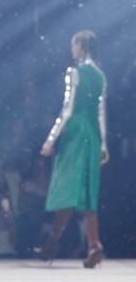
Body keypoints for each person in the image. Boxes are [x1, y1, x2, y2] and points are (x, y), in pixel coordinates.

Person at [35, 30, 109, 268]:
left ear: (81, 46)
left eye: (74, 45)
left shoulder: (74, 72)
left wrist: (51, 138)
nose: (72, 49)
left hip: (75, 134)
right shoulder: (100, 75)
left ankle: (53, 242)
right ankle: (93, 244)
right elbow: (100, 112)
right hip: (92, 135)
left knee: (66, 187)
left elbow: (67, 109)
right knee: (87, 190)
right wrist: (103, 144)